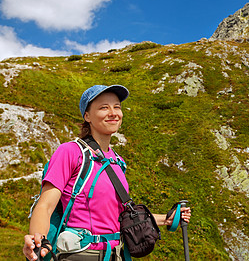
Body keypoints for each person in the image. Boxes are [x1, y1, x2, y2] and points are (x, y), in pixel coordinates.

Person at [23, 85, 191, 261]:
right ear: (87, 116)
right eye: (104, 107)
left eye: (117, 106)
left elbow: (120, 217)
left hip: (116, 255)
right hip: (81, 255)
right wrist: (38, 240)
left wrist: (167, 219)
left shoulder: (117, 162)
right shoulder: (71, 152)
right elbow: (45, 205)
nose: (113, 113)